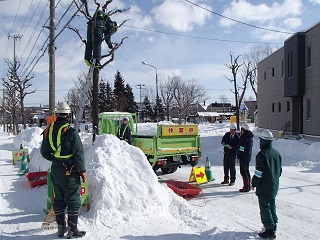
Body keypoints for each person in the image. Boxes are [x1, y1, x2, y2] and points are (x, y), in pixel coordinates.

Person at [40, 102, 86, 239]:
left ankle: (61, 229)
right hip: (69, 170)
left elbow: (44, 152)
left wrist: (55, 159)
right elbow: (79, 153)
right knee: (73, 199)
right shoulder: (70, 132)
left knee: (59, 198)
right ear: (68, 115)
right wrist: (82, 170)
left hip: (56, 169)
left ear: (56, 114)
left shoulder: (48, 130)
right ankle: (73, 230)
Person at [251, 130, 282, 239]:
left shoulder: (262, 155)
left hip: (264, 186)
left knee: (265, 207)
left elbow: (259, 173)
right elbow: (280, 171)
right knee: (272, 205)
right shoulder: (276, 153)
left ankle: (269, 230)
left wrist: (253, 183)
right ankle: (273, 224)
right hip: (274, 185)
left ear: (263, 141)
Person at [236, 122, 254, 192]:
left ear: (243, 130)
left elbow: (241, 148)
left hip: (243, 157)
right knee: (247, 171)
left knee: (243, 172)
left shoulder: (244, 137)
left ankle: (246, 186)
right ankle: (248, 185)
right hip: (248, 156)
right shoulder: (250, 136)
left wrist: (238, 157)